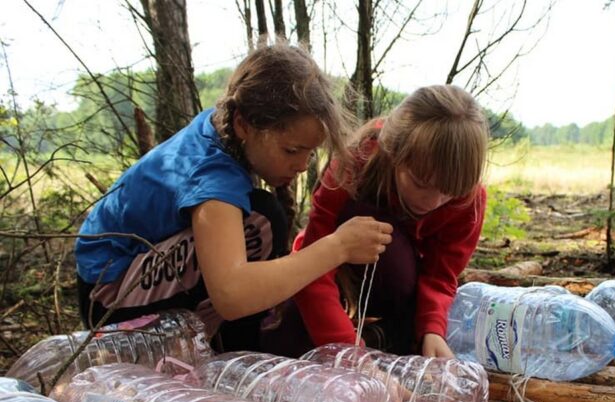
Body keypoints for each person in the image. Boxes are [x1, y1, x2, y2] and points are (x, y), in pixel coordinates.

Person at [74, 43, 393, 352]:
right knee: (261, 223)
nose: (300, 165)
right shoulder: (213, 174)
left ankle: (228, 350)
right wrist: (336, 247)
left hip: (126, 277)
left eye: (309, 153)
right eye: (291, 150)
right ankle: (236, 355)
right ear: (243, 124)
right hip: (108, 295)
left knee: (262, 218)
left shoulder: (221, 129)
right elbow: (231, 295)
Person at [283, 84, 488, 359]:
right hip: (337, 268)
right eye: (420, 183)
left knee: (398, 267)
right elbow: (313, 267)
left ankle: (388, 336)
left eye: (449, 192)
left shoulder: (468, 198)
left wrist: (432, 329)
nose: (433, 201)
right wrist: (350, 356)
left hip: (398, 292)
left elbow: (441, 275)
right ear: (392, 153)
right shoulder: (353, 164)